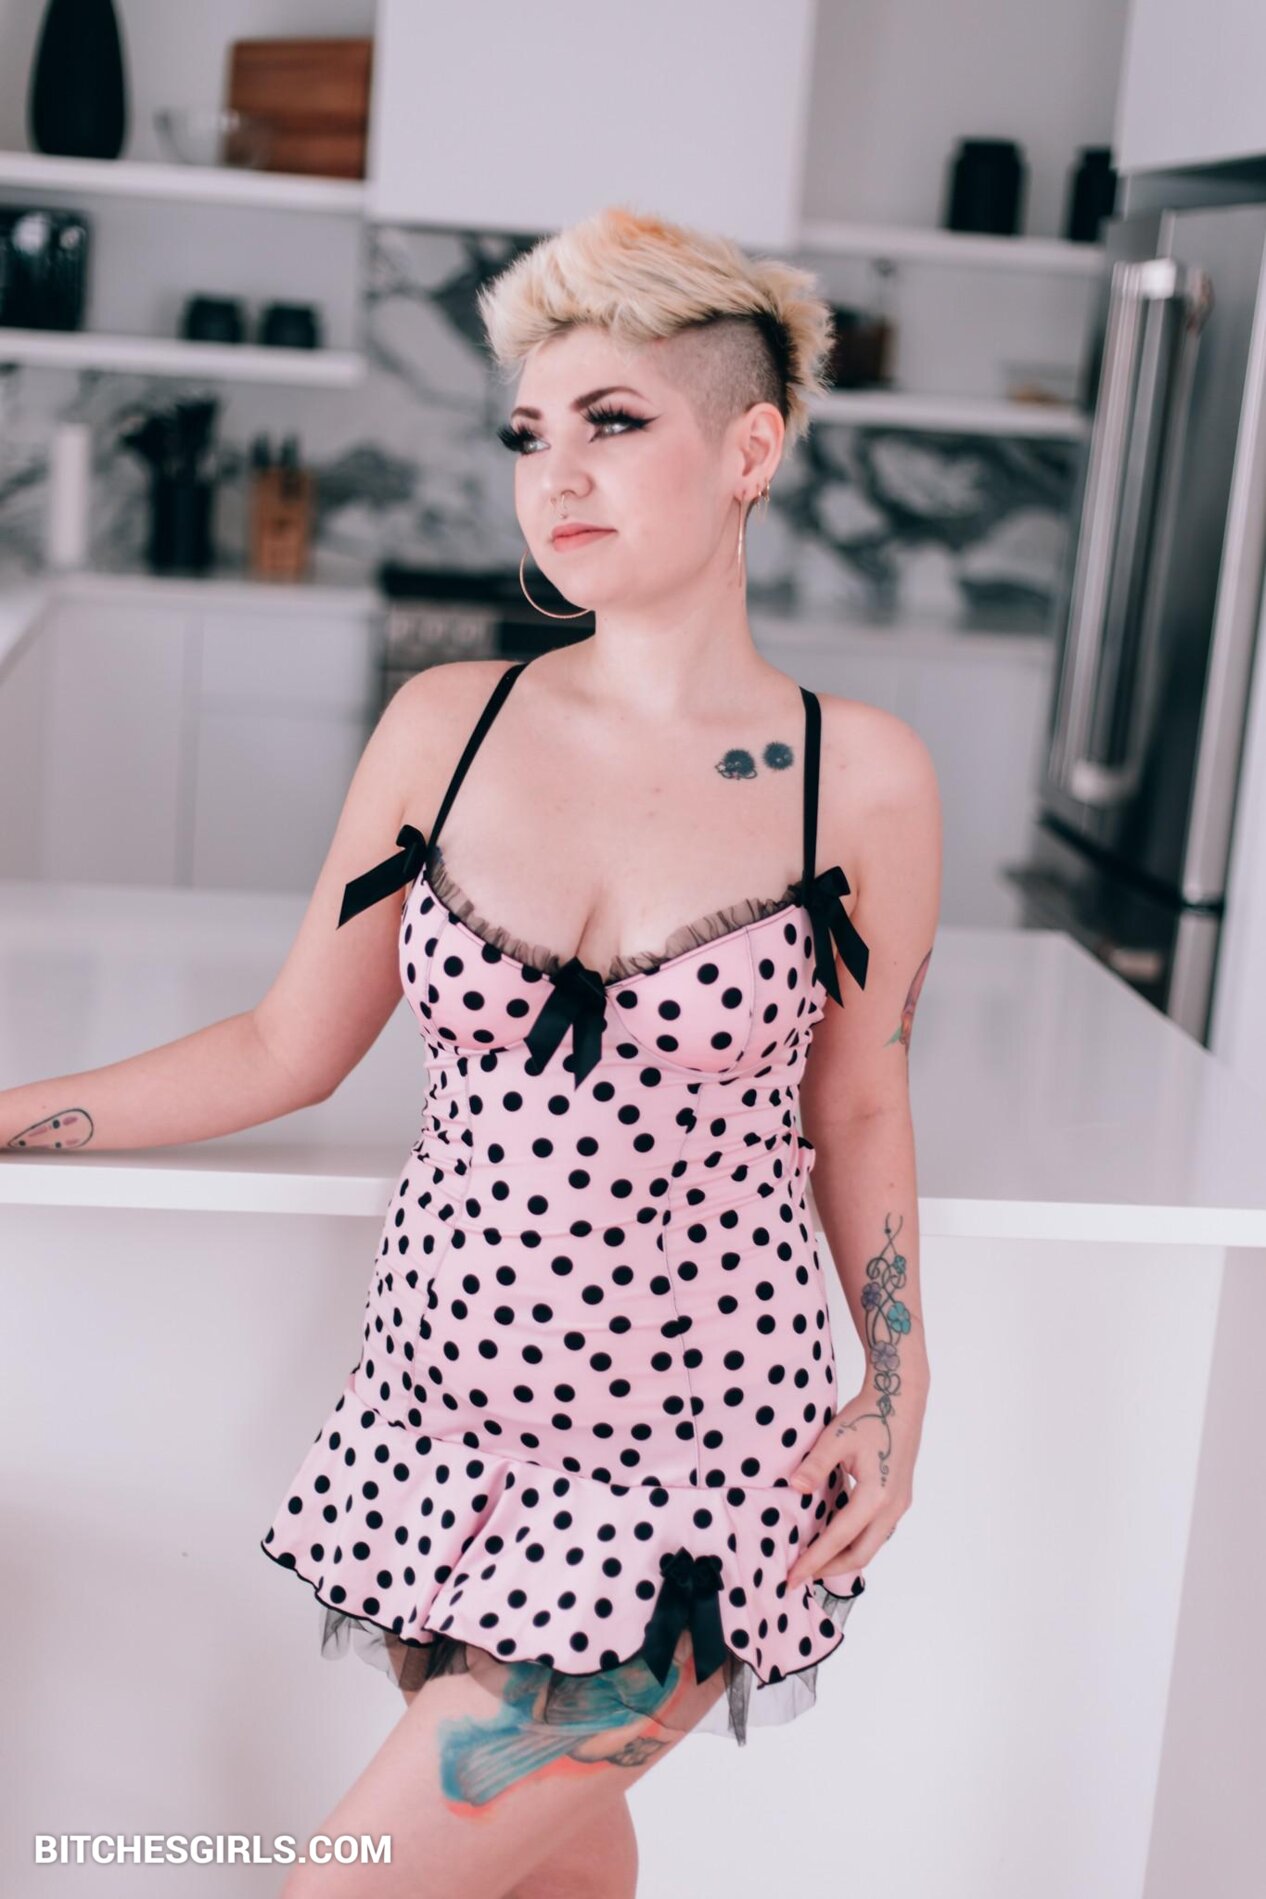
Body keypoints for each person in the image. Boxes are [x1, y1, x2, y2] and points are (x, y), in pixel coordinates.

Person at [11, 203, 941, 1899]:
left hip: (692, 1462)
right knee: (551, 1879)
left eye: (612, 424)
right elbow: (284, 1047)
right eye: (527, 433)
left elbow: (861, 1100)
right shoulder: (447, 723)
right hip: (436, 1432)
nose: (555, 476)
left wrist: (894, 1383)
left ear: (750, 449)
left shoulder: (856, 775)